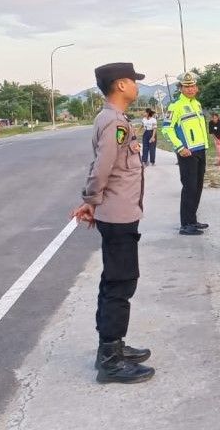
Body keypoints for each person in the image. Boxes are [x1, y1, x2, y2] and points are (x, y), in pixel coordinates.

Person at [71, 62, 154, 384]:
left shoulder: (115, 120)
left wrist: (92, 201)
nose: (136, 86)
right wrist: (91, 200)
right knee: (120, 284)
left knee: (118, 282)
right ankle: (110, 360)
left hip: (121, 212)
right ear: (120, 85)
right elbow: (101, 167)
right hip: (117, 216)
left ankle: (113, 347)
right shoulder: (113, 123)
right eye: (133, 81)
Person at [162, 72, 208, 236]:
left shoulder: (197, 104)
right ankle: (186, 224)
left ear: (197, 87)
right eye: (186, 86)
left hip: (200, 150)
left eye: (192, 86)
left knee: (198, 187)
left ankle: (192, 219)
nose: (190, 89)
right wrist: (180, 147)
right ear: (180, 88)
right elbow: (166, 129)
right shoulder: (175, 106)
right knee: (189, 188)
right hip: (187, 153)